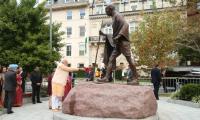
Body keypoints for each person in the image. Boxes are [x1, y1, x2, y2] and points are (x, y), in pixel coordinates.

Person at [98, 4, 138, 85]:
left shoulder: (117, 15)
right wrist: (104, 34)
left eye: (106, 11)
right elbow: (115, 32)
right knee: (111, 59)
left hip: (123, 42)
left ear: (110, 9)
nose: (105, 13)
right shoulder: (113, 17)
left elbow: (126, 25)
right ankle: (106, 77)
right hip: (118, 43)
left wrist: (119, 35)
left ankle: (136, 78)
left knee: (129, 60)